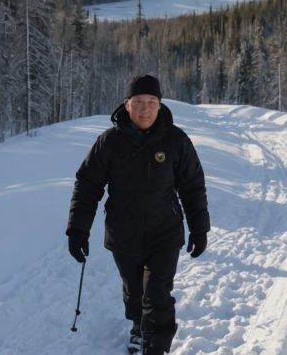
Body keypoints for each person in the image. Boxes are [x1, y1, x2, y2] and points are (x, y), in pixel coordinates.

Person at [66, 74, 210, 355]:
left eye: (151, 102)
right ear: (127, 105)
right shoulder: (109, 142)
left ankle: (156, 347)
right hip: (123, 234)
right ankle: (137, 325)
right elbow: (87, 185)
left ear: (160, 105)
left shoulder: (175, 140)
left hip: (164, 232)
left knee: (158, 295)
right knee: (134, 292)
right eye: (139, 102)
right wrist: (78, 229)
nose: (145, 109)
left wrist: (199, 228)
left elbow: (192, 185)